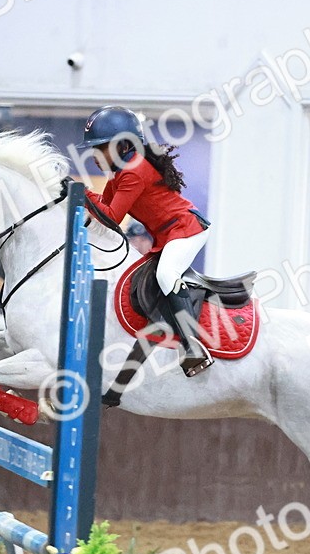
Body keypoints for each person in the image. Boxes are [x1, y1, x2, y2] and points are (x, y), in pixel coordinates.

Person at [77, 105, 213, 376]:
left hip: (186, 229)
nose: (94, 155)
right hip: (167, 234)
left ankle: (193, 345)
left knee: (165, 275)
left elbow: (112, 217)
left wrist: (82, 193)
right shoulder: (119, 174)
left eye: (100, 147)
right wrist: (84, 200)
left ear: (122, 145)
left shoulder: (134, 170)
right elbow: (104, 207)